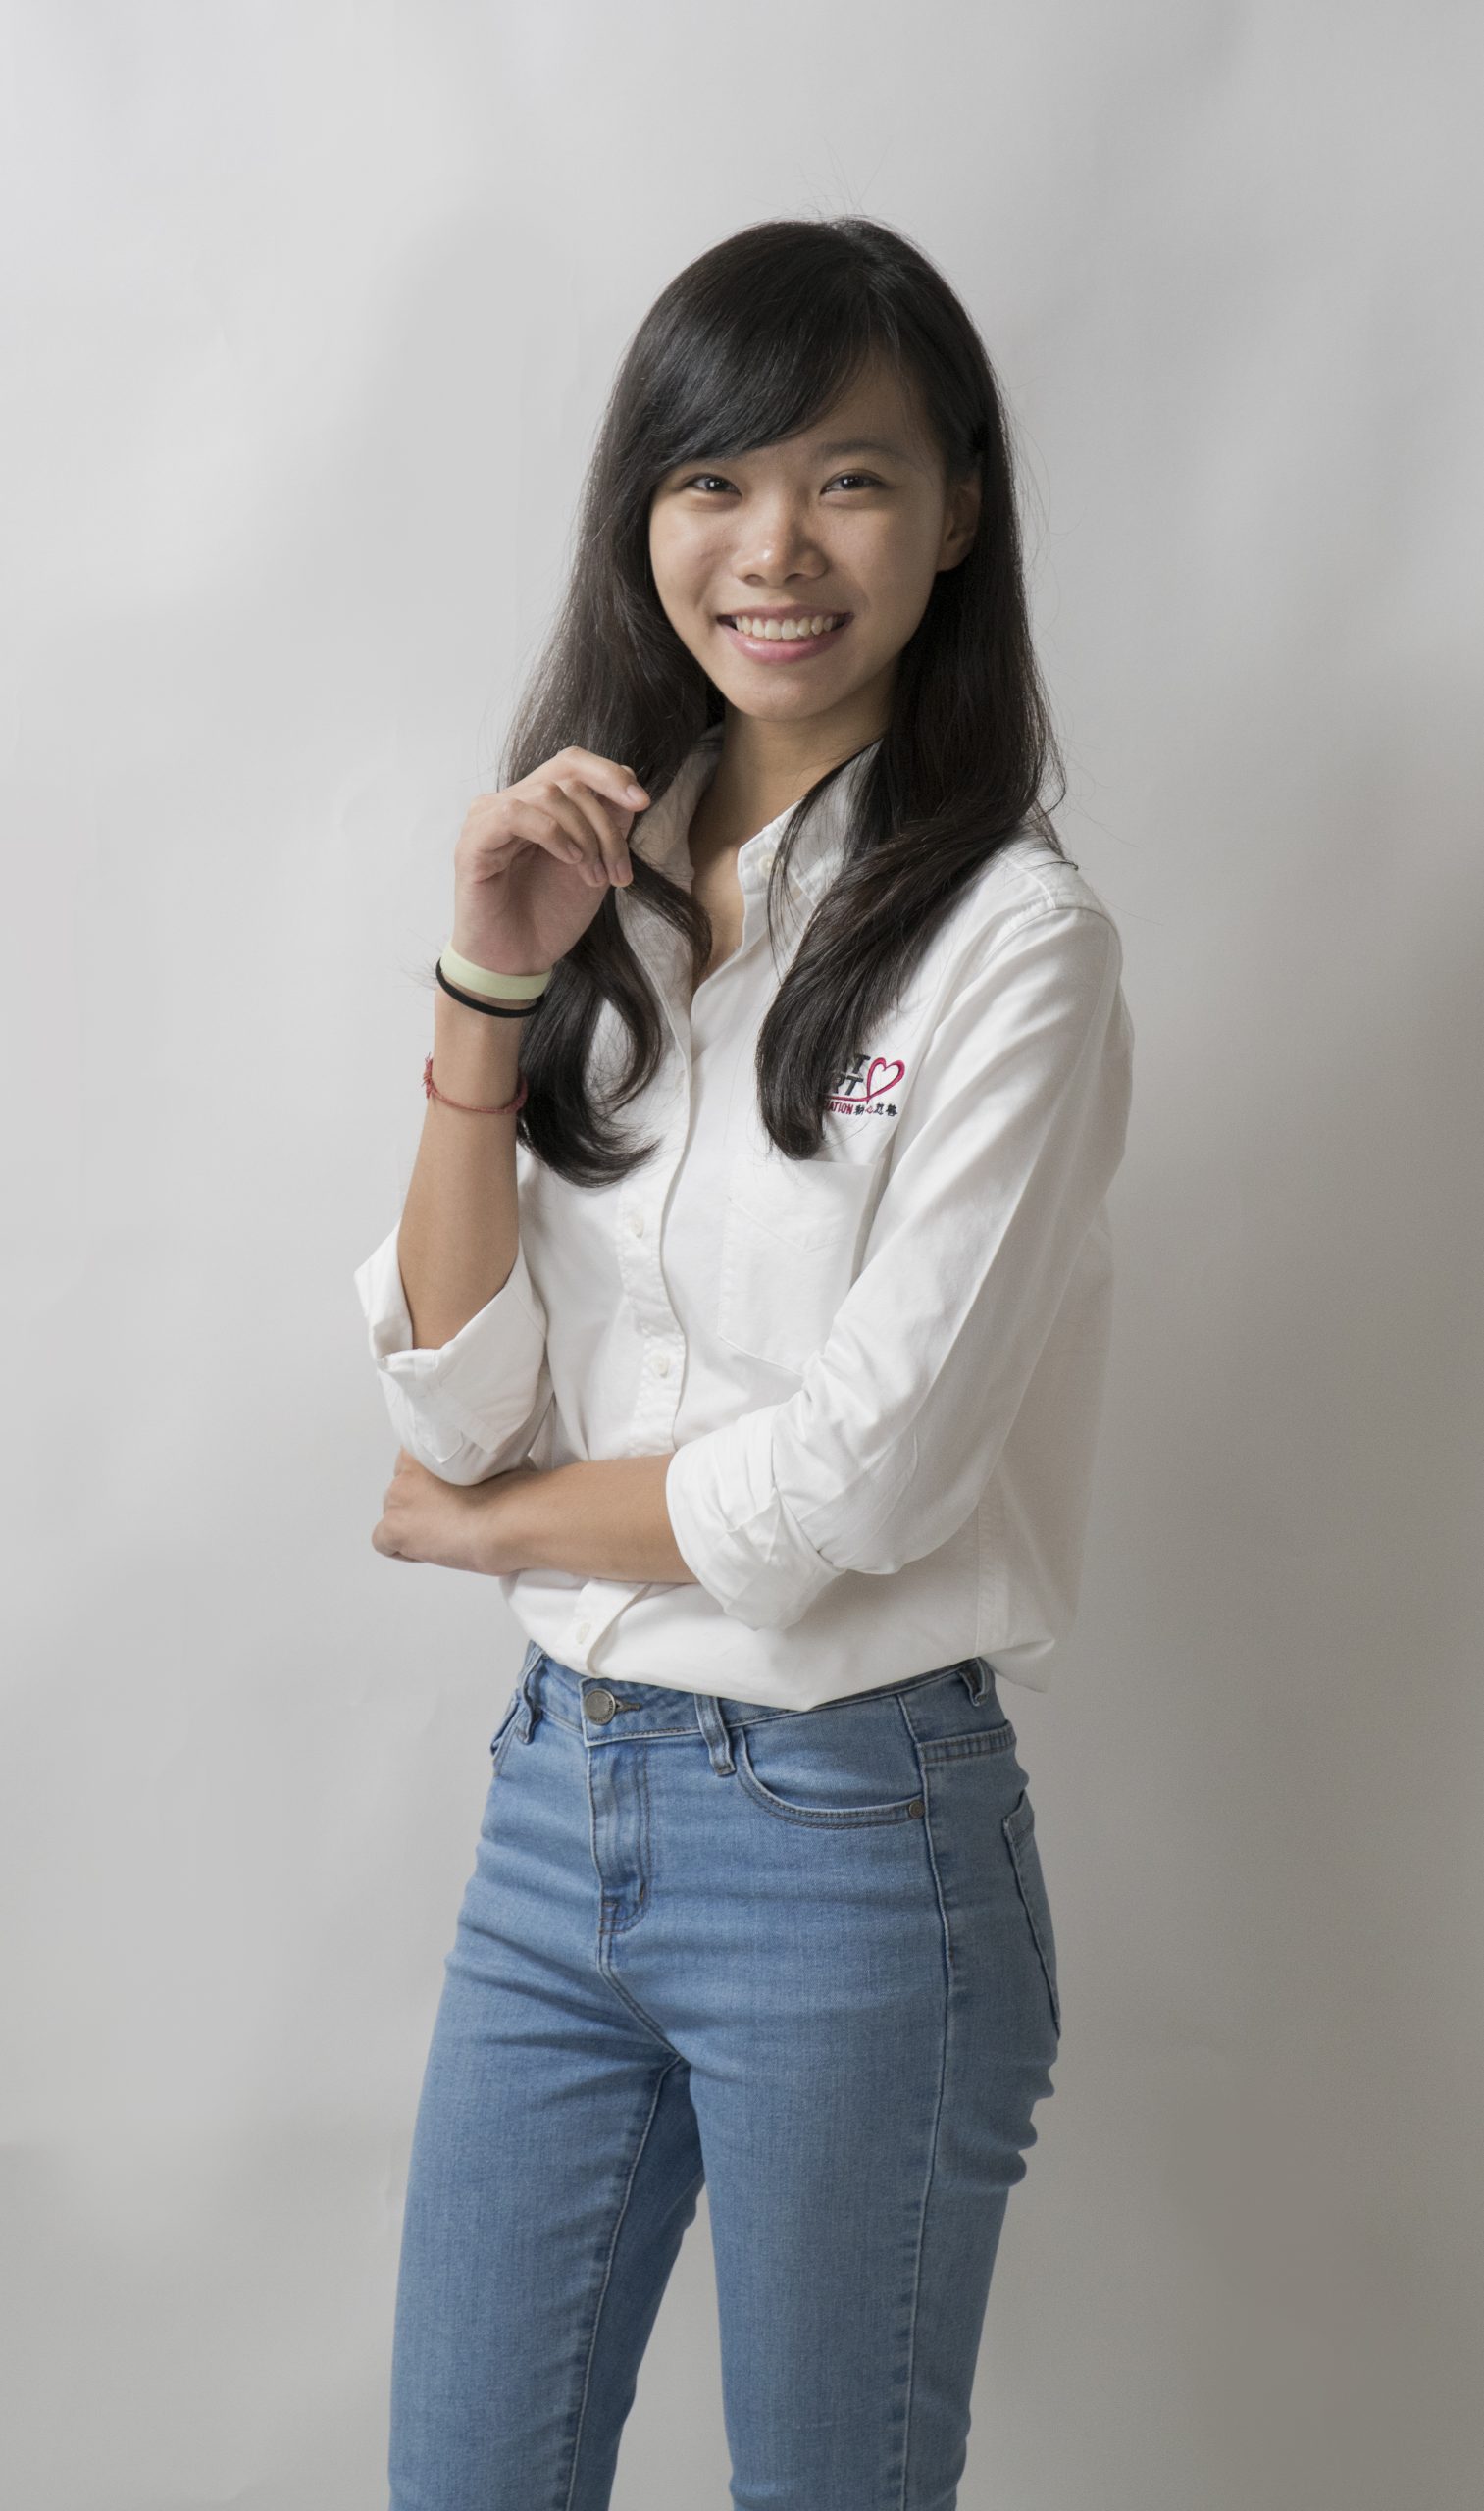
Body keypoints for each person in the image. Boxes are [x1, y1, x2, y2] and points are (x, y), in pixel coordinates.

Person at [354, 215, 1134, 2511]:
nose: (771, 547)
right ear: (646, 513)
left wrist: (492, 1530)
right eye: (713, 479)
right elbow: (450, 1397)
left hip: (852, 1836)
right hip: (552, 1814)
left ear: (956, 511)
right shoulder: (593, 884)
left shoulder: (1014, 943)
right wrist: (485, 987)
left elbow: (860, 1481)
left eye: (847, 478)